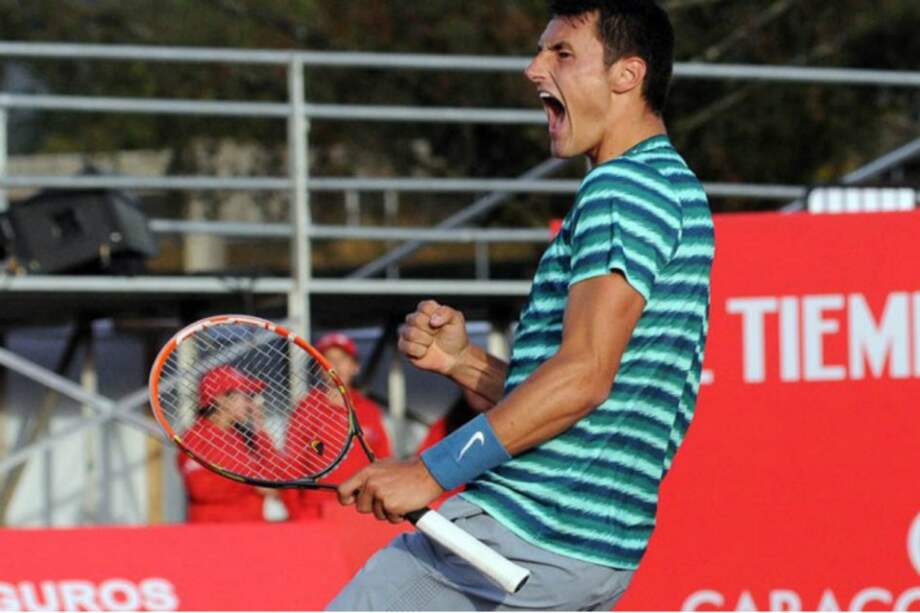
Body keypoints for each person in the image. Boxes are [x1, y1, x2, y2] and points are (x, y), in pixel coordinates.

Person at [329, 0, 715, 610]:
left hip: (524, 533)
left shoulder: (623, 187)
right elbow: (587, 398)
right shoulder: (671, 186)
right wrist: (464, 364)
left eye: (561, 52)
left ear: (627, 75)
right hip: (590, 552)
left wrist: (428, 472)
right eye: (540, 50)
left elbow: (584, 377)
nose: (534, 68)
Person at [283, 332, 392, 520]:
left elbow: (383, 461)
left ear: (355, 366)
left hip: (362, 511)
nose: (335, 365)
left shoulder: (369, 409)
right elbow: (291, 467)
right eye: (328, 359)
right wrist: (297, 514)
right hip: (317, 512)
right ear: (320, 367)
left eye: (342, 359)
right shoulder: (306, 409)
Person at [178, 365, 290, 523]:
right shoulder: (195, 438)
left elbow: (275, 473)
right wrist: (250, 484)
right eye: (245, 396)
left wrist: (259, 427)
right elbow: (200, 488)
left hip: (250, 532)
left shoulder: (242, 436)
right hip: (214, 537)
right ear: (221, 399)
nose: (251, 403)